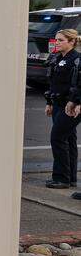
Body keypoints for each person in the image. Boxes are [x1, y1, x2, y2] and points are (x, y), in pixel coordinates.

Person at [44, 28, 81, 190]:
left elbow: (79, 84)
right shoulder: (57, 58)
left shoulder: (77, 59)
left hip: (70, 105)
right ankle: (70, 177)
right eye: (56, 40)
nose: (57, 43)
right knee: (68, 139)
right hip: (58, 103)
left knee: (58, 137)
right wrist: (49, 102)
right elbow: (54, 82)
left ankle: (61, 178)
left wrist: (75, 102)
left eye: (61, 40)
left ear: (72, 41)